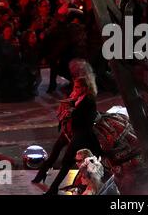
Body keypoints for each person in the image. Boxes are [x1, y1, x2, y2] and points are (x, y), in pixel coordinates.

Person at [37, 60, 102, 195]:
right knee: (55, 151)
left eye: (77, 87)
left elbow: (86, 120)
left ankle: (53, 188)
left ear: (84, 88)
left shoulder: (89, 100)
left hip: (81, 133)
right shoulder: (76, 96)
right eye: (75, 87)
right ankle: (41, 173)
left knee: (66, 162)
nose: (75, 89)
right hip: (70, 129)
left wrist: (73, 112)